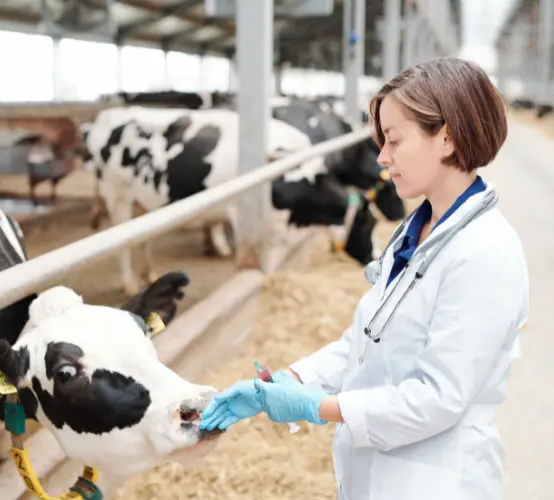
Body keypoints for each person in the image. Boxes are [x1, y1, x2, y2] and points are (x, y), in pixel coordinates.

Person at [199, 57, 530, 500]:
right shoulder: (417, 230)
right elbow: (367, 341)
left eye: (393, 140)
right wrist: (293, 380)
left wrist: (320, 408)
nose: (381, 157)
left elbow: (439, 398)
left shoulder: (485, 252)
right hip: (379, 474)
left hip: (436, 480)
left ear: (447, 138)